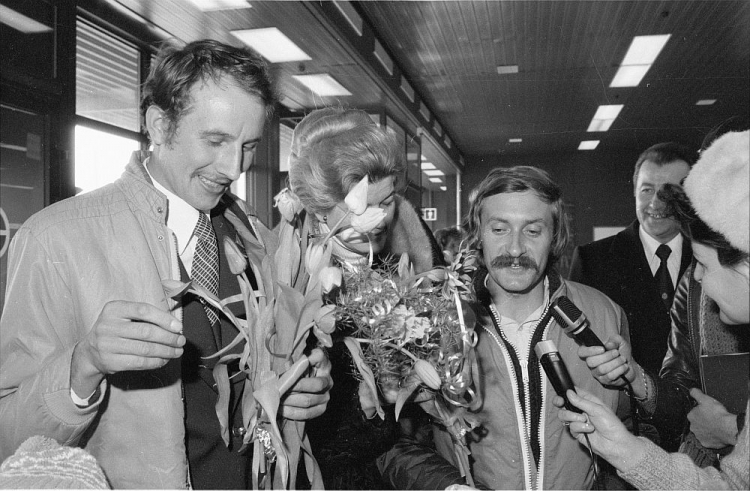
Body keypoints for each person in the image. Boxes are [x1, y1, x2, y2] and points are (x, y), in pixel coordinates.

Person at [0, 40, 332, 489]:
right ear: (158, 124)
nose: (234, 167)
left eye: (248, 145)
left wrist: (301, 384)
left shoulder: (260, 240)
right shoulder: (55, 239)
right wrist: (83, 365)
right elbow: (8, 440)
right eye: (215, 140)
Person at [379, 166, 630, 489]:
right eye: (499, 230)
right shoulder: (433, 322)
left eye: (533, 231)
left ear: (555, 237)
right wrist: (445, 486)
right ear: (478, 234)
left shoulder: (604, 314)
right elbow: (391, 443)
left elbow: (629, 428)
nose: (514, 249)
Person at [556, 129, 750, 490]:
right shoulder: (596, 259)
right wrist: (632, 379)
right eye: (647, 189)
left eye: (705, 268)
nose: (698, 284)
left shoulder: (704, 254)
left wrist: (729, 427)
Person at [283, 107, 443, 489]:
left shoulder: (406, 265)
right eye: (363, 208)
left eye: (388, 202)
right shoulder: (293, 284)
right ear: (320, 211)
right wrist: (367, 404)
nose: (381, 219)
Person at [569, 143, 696, 377]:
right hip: (626, 405)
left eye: (669, 191)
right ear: (634, 191)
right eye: (647, 190)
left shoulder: (710, 257)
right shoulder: (592, 260)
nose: (657, 203)